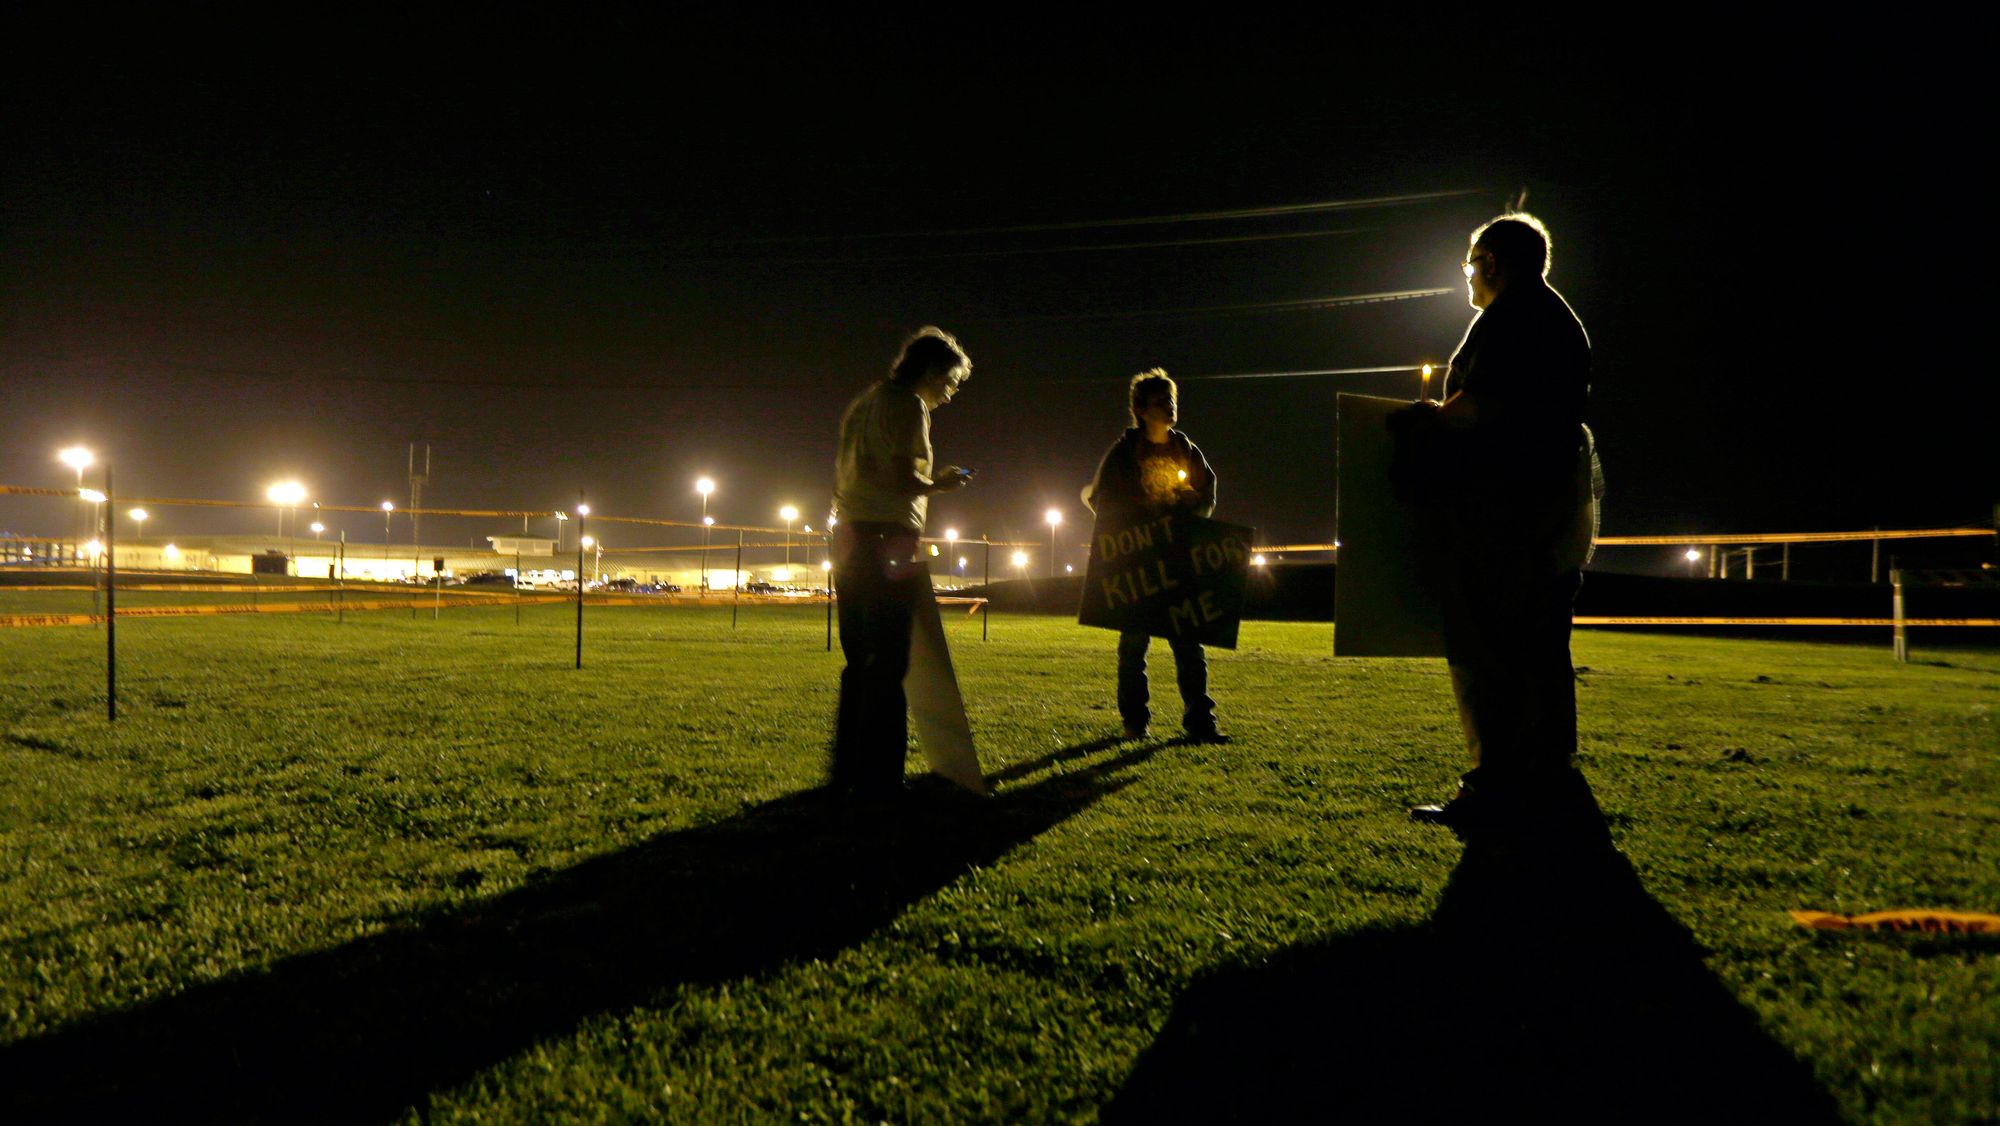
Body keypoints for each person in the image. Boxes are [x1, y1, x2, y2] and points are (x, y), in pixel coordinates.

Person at [1397, 213, 1603, 839]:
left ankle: (1493, 785)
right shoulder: (1559, 318)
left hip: (1501, 513)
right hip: (1545, 506)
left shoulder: (1510, 318)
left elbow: (1480, 406)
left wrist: (1426, 421)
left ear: (1492, 262)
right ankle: (1546, 783)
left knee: (1485, 646)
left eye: (1471, 263)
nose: (1467, 274)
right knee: (1540, 646)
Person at [828, 327, 975, 795]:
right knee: (890, 660)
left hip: (849, 535)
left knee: (858, 659)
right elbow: (900, 476)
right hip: (888, 535)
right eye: (950, 383)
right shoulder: (907, 404)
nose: (949, 396)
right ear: (931, 371)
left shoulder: (864, 404)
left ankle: (848, 767)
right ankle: (882, 775)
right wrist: (941, 483)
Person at [1083, 368, 1226, 744]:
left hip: (1178, 562)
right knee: (1133, 646)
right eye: (1162, 400)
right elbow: (1101, 501)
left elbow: (1207, 496)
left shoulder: (1187, 450)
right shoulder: (1124, 453)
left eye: (1172, 398)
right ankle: (1135, 722)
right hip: (1140, 564)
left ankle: (1200, 723)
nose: (1170, 405)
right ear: (1141, 410)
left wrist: (1194, 505)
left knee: (1189, 647)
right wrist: (1139, 513)